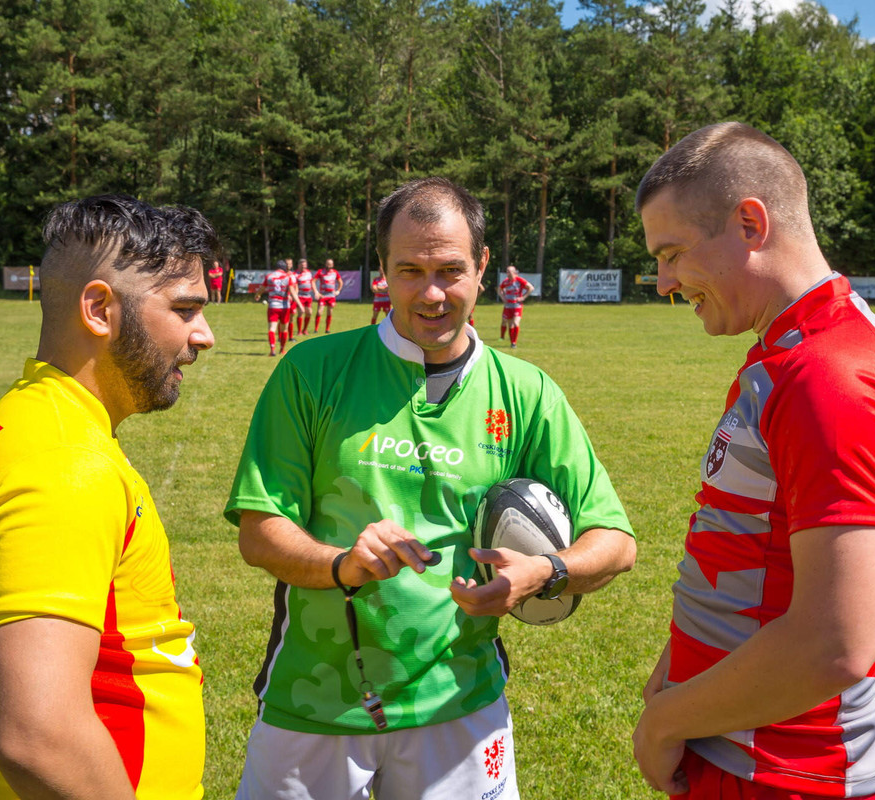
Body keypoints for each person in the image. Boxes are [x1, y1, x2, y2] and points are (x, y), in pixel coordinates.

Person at [225, 176, 636, 800]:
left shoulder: (526, 392)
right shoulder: (310, 372)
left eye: (450, 269)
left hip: (462, 704)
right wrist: (341, 563)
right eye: (409, 271)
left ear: (483, 267)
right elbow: (261, 532)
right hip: (314, 702)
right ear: (384, 271)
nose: (432, 293)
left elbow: (615, 541)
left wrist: (545, 573)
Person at [632, 122, 875, 799]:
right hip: (742, 746)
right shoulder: (793, 349)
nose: (664, 282)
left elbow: (836, 642)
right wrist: (677, 668)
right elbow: (750, 553)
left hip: (791, 774)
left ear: (749, 223)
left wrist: (662, 722)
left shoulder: (830, 374)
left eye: (673, 253)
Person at [0, 194, 217, 799]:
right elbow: (39, 734)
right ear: (99, 310)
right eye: (186, 308)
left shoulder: (41, 418)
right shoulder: (64, 462)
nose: (206, 335)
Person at [257, 258, 299, 356]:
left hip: (273, 306)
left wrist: (257, 295)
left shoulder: (270, 276)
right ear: (284, 268)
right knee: (284, 329)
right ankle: (282, 349)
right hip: (285, 306)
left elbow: (262, 289)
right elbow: (292, 291)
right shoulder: (287, 277)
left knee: (272, 329)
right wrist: (299, 304)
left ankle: (272, 350)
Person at [496, 265, 532, 347]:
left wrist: (523, 297)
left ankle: (514, 342)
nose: (508, 273)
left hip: (517, 306)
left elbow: (530, 288)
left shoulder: (519, 280)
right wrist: (503, 297)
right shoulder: (505, 282)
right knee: (510, 324)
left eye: (509, 272)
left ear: (514, 272)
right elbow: (499, 289)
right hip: (508, 306)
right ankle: (511, 342)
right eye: (507, 272)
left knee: (516, 323)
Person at [313, 258, 343, 333]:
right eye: (328, 264)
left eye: (330, 264)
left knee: (330, 312)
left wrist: (338, 291)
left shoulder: (335, 272)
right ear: (325, 264)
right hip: (323, 295)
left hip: (331, 296)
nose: (329, 265)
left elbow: (340, 282)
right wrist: (316, 292)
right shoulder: (321, 271)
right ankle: (316, 329)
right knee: (319, 312)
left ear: (333, 265)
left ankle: (327, 329)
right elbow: (313, 281)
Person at [295, 258, 315, 335]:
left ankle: (305, 330)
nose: (303, 266)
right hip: (300, 296)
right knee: (301, 312)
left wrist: (315, 291)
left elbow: (311, 283)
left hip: (308, 296)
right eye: (302, 265)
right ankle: (299, 331)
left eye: (305, 265)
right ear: (298, 265)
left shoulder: (308, 273)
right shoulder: (295, 274)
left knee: (309, 313)